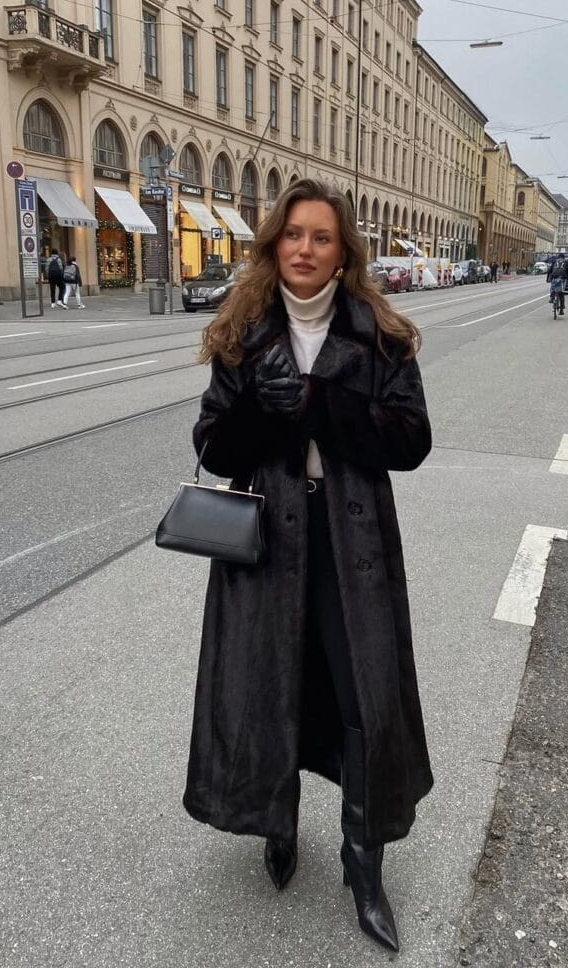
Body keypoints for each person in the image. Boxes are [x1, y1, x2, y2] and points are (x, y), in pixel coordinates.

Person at [185, 178, 433, 954]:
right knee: (270, 683)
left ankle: (364, 860)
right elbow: (212, 446)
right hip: (267, 543)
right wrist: (257, 408)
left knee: (363, 695)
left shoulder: (379, 334)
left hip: (351, 544)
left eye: (321, 237)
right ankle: (276, 824)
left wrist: (325, 403)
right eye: (293, 234)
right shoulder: (244, 332)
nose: (304, 249)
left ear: (342, 253)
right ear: (274, 245)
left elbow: (411, 442)